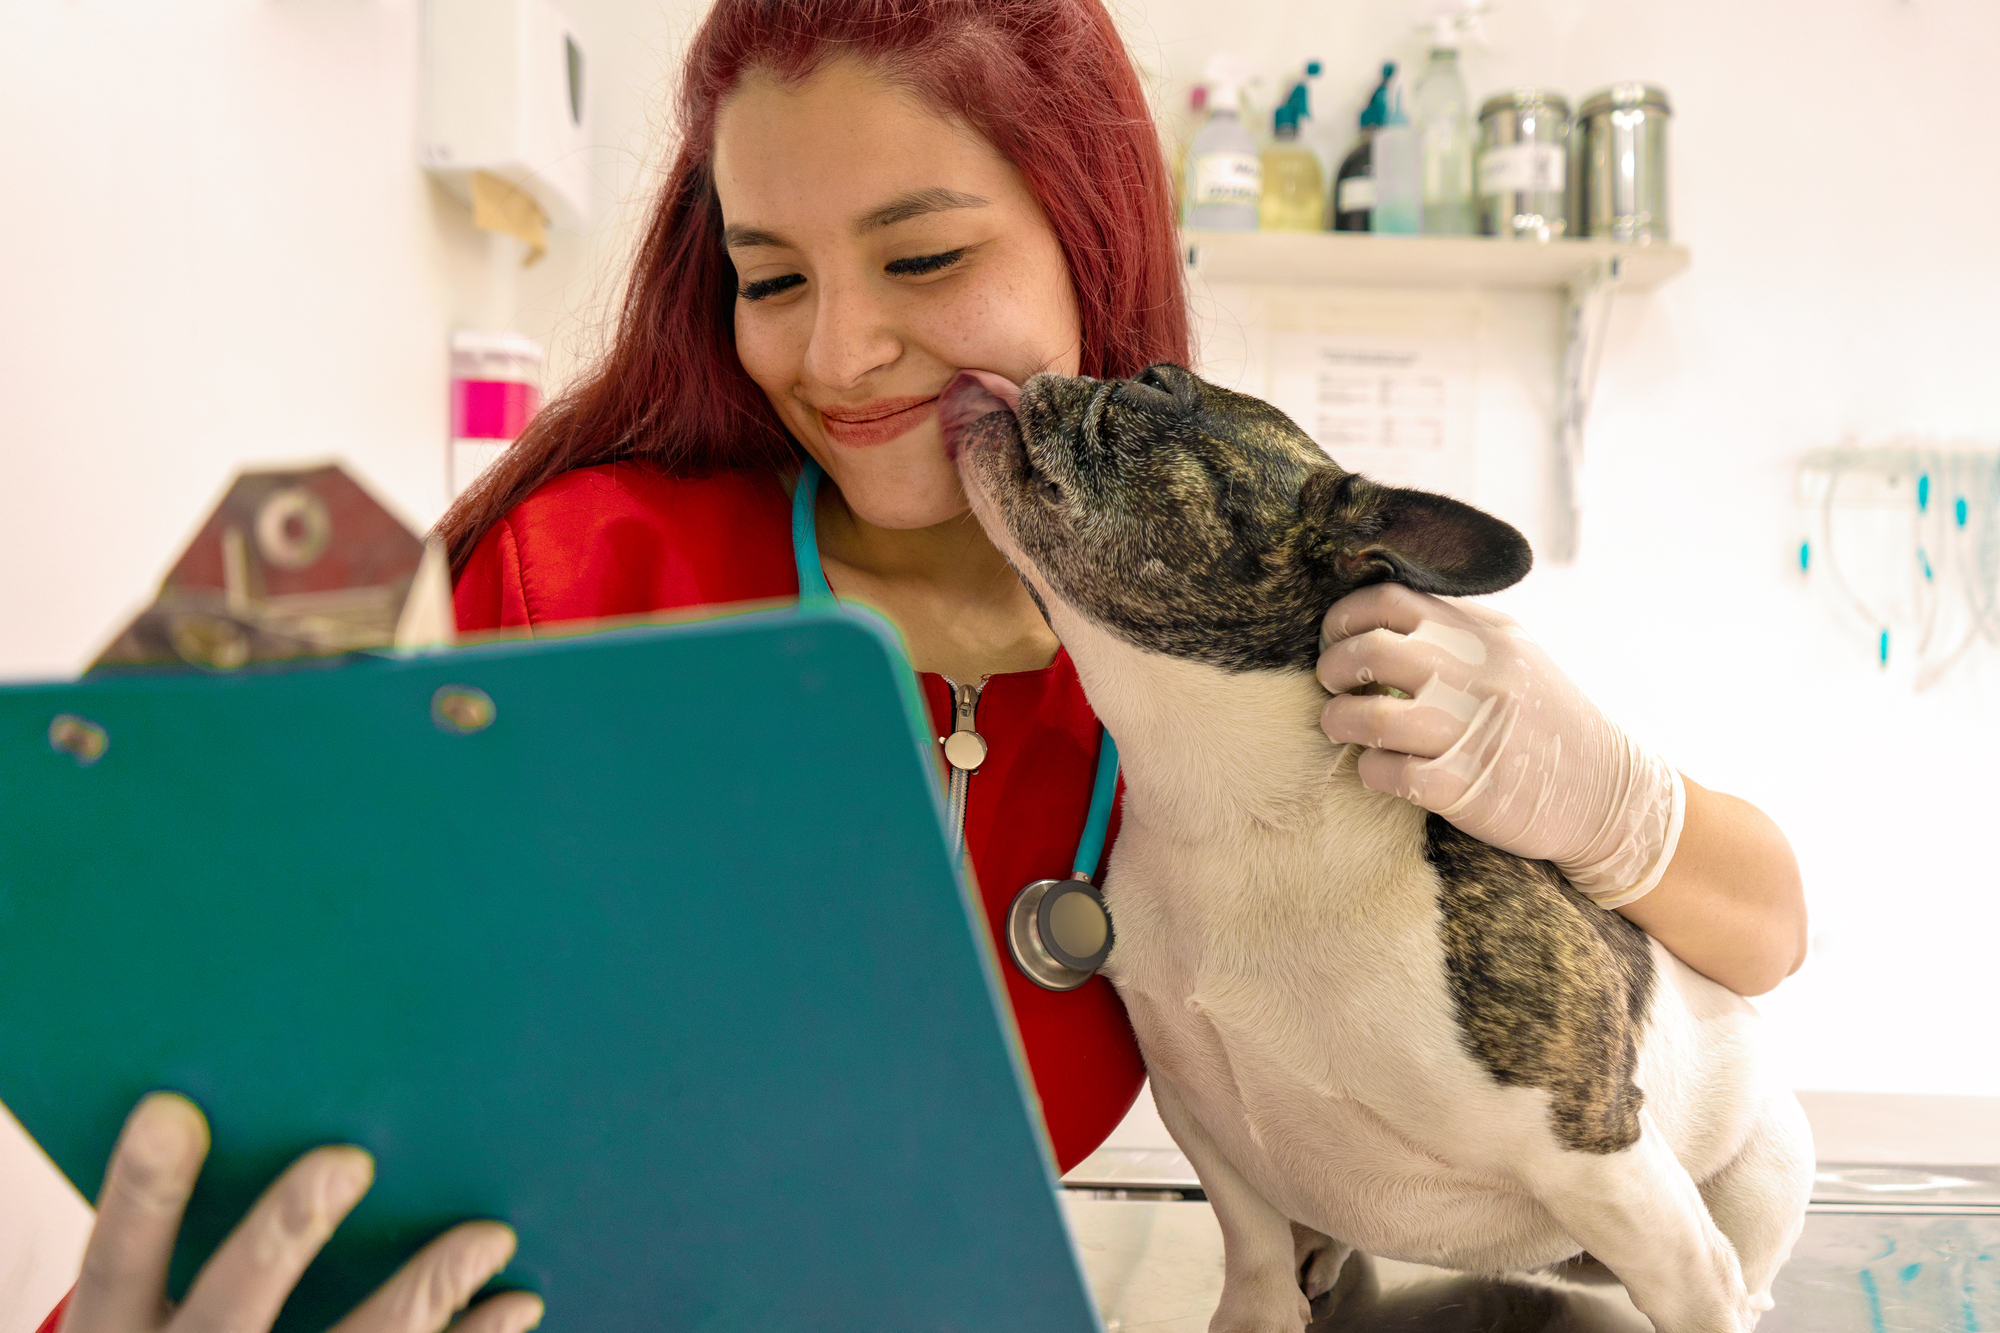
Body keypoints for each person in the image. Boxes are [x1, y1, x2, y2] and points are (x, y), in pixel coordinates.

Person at [42, 0, 1806, 1328]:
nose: (843, 350)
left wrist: (1610, 800)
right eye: (768, 275)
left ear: (1090, 234)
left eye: (927, 255)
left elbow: (1762, 938)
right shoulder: (583, 574)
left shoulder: (1224, 637)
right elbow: (254, 1029)